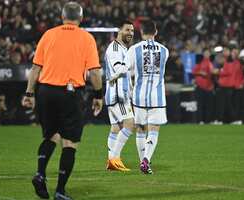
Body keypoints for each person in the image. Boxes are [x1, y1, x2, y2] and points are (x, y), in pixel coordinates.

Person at [22, 2, 102, 200]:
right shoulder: (86, 38)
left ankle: (40, 174)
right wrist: (99, 95)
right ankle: (60, 191)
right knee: (70, 142)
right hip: (70, 93)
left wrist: (29, 94)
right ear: (80, 18)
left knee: (51, 136)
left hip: (45, 92)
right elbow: (94, 71)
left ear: (62, 17)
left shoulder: (48, 35)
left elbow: (35, 68)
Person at [126, 20, 169, 174]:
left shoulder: (134, 50)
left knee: (141, 130)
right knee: (154, 130)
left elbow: (127, 71)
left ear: (141, 32)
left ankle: (142, 161)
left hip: (139, 96)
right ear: (156, 32)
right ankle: (146, 160)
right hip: (157, 97)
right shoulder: (165, 51)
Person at [104, 20, 135, 171]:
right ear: (119, 31)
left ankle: (111, 161)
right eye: (127, 30)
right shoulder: (115, 48)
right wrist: (130, 63)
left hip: (118, 93)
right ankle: (114, 159)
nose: (130, 33)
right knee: (130, 124)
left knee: (116, 128)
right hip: (118, 95)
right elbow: (118, 70)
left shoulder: (123, 49)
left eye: (132, 31)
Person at [192, 49, 215, 124]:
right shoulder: (200, 63)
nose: (206, 54)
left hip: (208, 87)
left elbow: (212, 75)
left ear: (209, 54)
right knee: (201, 104)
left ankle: (207, 120)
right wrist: (200, 72)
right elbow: (193, 71)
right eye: (205, 53)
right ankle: (200, 120)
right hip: (200, 87)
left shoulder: (211, 63)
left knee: (208, 105)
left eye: (208, 53)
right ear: (203, 54)